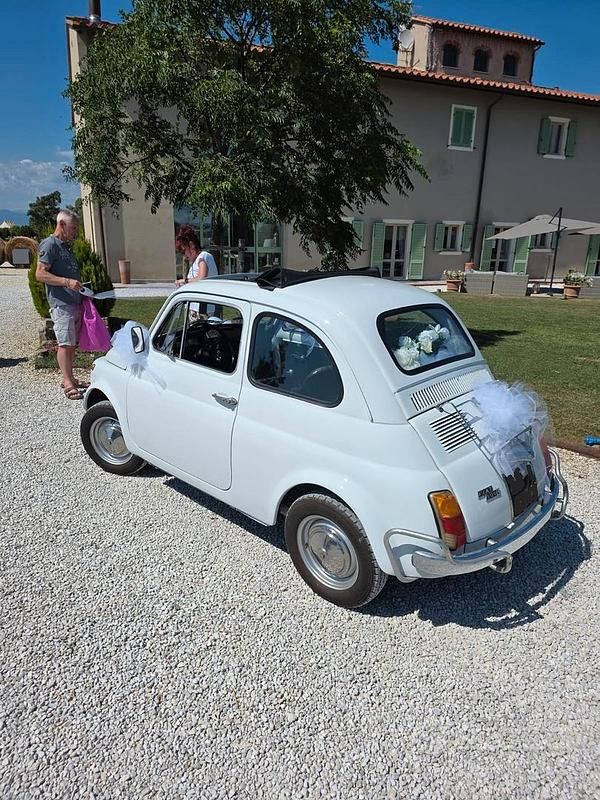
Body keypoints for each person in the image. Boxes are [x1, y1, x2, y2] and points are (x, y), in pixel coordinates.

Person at [36, 209, 86, 400]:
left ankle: (71, 377)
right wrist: (67, 282)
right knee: (65, 343)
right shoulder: (50, 244)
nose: (76, 232)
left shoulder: (65, 246)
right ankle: (66, 381)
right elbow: (40, 274)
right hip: (61, 304)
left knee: (71, 344)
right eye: (73, 228)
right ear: (62, 225)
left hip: (73, 302)